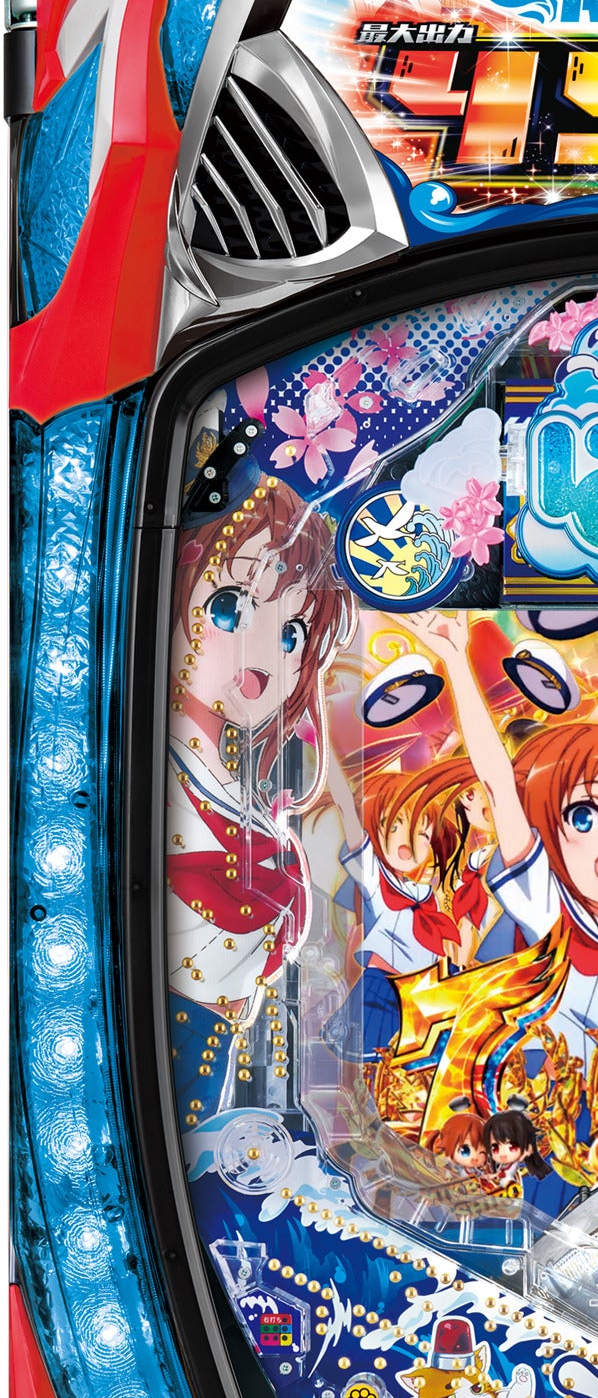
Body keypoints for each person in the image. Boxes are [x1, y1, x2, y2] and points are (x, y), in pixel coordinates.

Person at [406, 612, 598, 1072]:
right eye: (585, 817)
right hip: (551, 1083)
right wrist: (456, 659)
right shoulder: (547, 906)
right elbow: (500, 785)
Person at [167, 477, 354, 1125]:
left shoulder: (231, 789)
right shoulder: (163, 767)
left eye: (292, 635)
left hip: (203, 1057)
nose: (266, 658)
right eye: (230, 608)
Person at [321, 753, 493, 1068]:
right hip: (384, 991)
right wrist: (326, 756)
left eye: (422, 834)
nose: (408, 841)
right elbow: (346, 807)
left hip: (424, 996)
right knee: (380, 1073)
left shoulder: (427, 897)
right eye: (395, 824)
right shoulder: (375, 880)